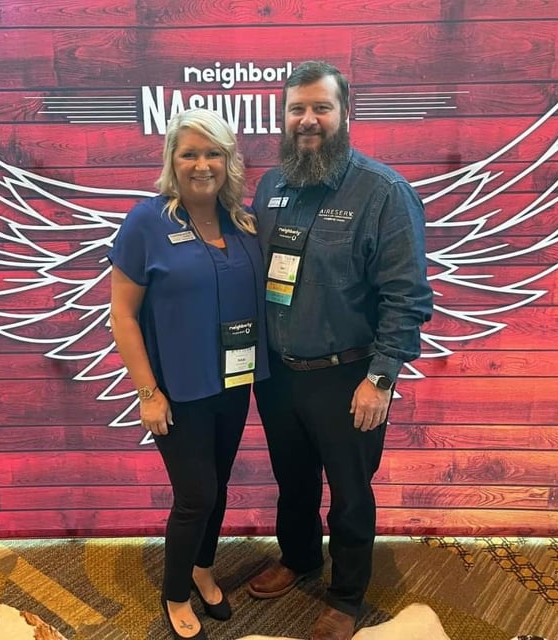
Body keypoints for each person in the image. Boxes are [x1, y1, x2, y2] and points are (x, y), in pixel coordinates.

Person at [247, 61, 433, 640]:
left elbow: (407, 297)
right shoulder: (271, 186)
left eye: (321, 108)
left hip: (348, 375)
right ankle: (300, 558)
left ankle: (346, 595)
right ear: (283, 118)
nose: (308, 120)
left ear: (346, 114)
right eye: (297, 109)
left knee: (350, 494)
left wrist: (380, 379)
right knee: (293, 480)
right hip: (277, 374)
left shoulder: (384, 192)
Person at [108, 108, 269, 640]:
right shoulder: (147, 222)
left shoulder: (244, 224)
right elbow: (123, 315)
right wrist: (148, 393)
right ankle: (176, 590)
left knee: (217, 487)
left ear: (229, 161)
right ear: (172, 160)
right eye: (190, 153)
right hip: (177, 393)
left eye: (213, 153)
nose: (202, 164)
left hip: (232, 385)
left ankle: (204, 567)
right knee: (196, 494)